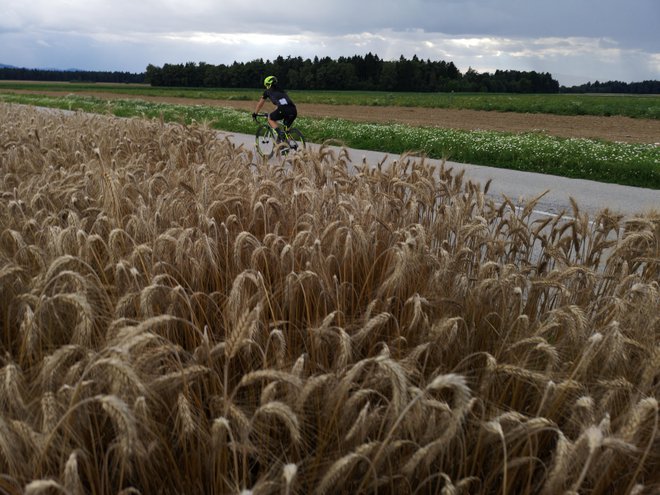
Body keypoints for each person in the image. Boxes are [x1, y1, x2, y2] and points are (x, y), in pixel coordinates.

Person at [252, 75, 297, 143]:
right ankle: (287, 146)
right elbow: (281, 103)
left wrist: (255, 113)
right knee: (286, 131)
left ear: (268, 84)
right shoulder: (281, 90)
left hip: (283, 109)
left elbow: (260, 104)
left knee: (270, 118)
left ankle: (280, 133)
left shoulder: (267, 92)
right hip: (293, 110)